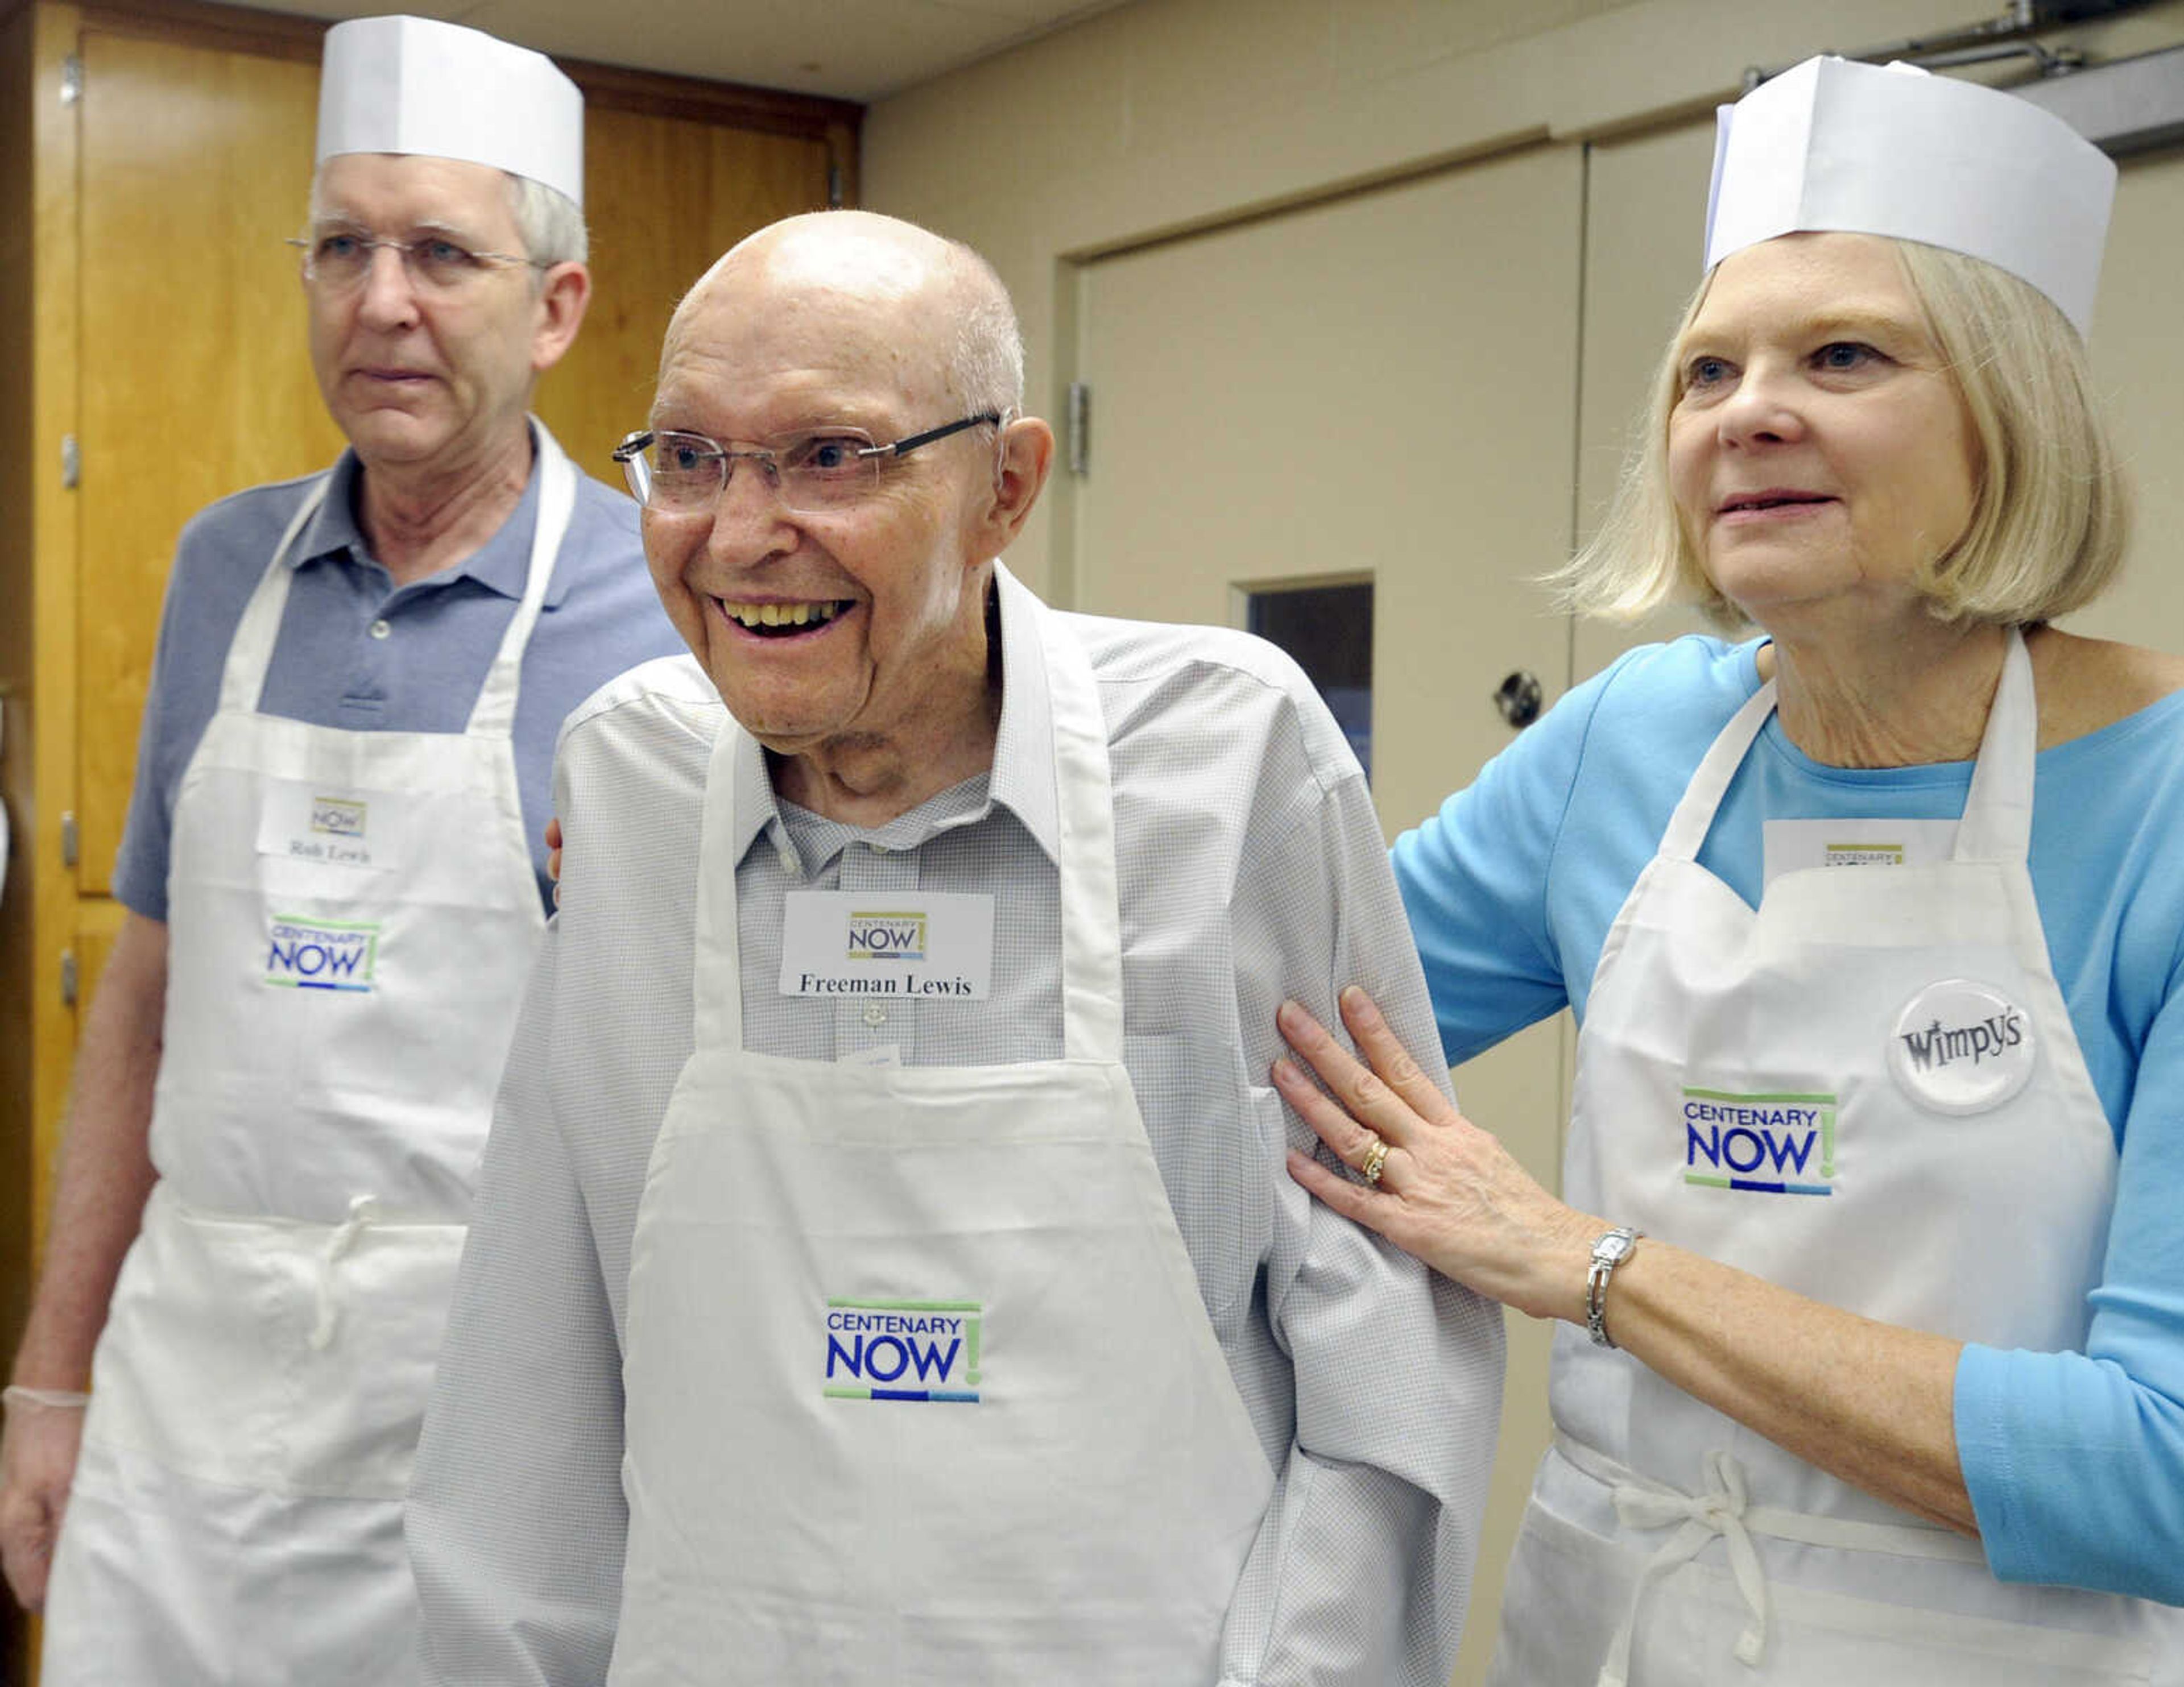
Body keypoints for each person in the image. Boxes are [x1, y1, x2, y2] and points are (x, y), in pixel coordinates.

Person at [406, 208, 1505, 1685]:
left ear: (1007, 486)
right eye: (690, 458)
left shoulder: (1230, 759)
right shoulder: (632, 785)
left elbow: (1384, 1346)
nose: (740, 535)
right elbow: (533, 1366)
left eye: (829, 457)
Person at [1274, 54, 2184, 1685]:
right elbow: (1269, 1031)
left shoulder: (2163, 798)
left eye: (1844, 355)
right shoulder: (1632, 739)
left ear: (2013, 415)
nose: (1750, 410)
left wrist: (1599, 1270)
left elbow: (2159, 1471)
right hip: (1606, 1629)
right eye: (1706, 373)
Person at [0, 15, 681, 1683]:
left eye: (443, 253)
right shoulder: (222, 566)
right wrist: (52, 1373)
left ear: (559, 306)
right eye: (343, 248)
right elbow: (143, 1010)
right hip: (191, 1388)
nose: (383, 301)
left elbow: (687, 1080)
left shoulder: (658, 608)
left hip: (491, 1400)